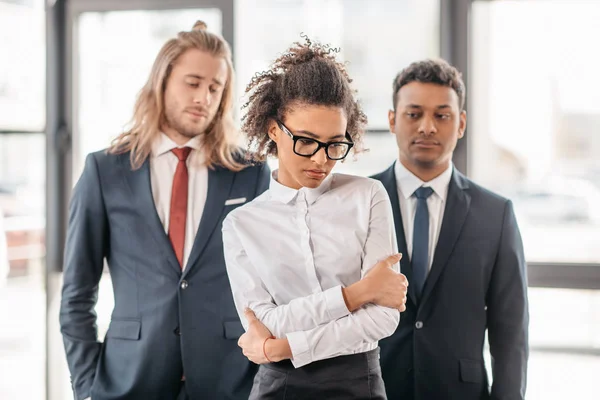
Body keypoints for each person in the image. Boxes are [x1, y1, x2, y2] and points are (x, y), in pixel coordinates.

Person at [59, 21, 270, 400]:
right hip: (128, 379)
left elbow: (272, 286)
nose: (203, 97)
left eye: (214, 87)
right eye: (193, 83)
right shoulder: (105, 171)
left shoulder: (250, 173)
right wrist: (87, 385)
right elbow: (77, 293)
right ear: (163, 80)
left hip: (228, 381)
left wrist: (261, 381)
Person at [221, 38, 409, 400]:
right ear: (274, 130)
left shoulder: (368, 196)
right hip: (278, 387)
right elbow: (265, 323)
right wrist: (358, 293)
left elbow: (383, 317)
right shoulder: (241, 225)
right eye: (306, 141)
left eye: (335, 144)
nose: (322, 160)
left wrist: (286, 348)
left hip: (359, 384)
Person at [371, 59, 529, 400]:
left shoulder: (496, 214)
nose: (427, 127)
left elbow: (510, 333)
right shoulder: (359, 201)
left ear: (461, 124)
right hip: (373, 389)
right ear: (392, 120)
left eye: (442, 115)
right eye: (413, 114)